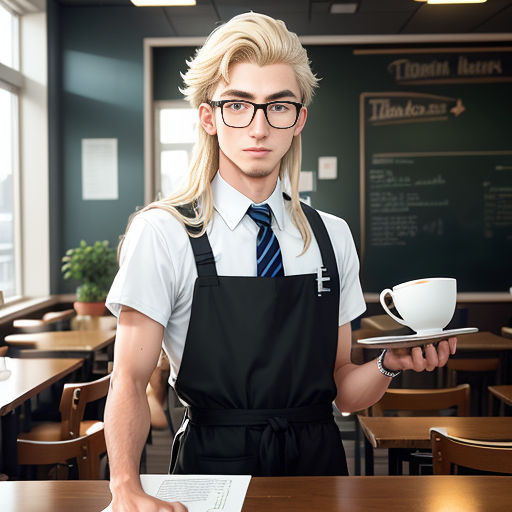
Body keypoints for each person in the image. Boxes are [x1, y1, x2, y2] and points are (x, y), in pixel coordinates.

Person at [104, 12, 457, 512]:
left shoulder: (332, 237)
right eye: (238, 106)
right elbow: (130, 383)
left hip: (319, 469)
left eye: (278, 107)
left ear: (299, 119)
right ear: (209, 118)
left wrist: (386, 364)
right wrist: (126, 487)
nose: (259, 126)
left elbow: (343, 389)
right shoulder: (163, 233)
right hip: (210, 471)